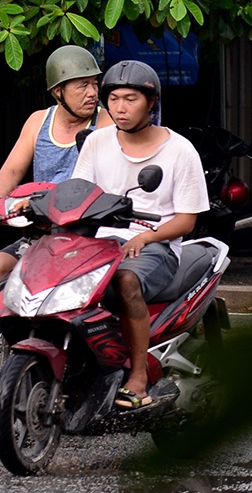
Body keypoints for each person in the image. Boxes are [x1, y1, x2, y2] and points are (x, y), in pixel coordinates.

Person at [72, 59, 210, 410]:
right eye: (114, 98)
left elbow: (187, 220)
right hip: (101, 241)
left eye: (131, 99)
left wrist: (146, 237)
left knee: (126, 280)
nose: (120, 107)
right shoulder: (96, 142)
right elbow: (79, 194)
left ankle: (137, 377)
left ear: (151, 102)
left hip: (157, 246)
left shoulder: (179, 150)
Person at [0, 44, 108, 289]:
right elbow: (12, 171)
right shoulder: (38, 121)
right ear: (58, 91)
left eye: (94, 83)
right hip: (42, 231)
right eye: (82, 85)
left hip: (86, 233)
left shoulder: (104, 123)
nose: (92, 92)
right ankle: (7, 328)